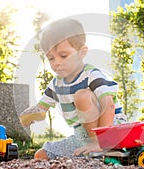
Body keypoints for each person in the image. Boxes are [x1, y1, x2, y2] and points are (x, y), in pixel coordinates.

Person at [19, 18, 126, 160]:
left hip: (110, 130)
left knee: (82, 96)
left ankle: (100, 149)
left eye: (63, 56)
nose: (57, 63)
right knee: (41, 155)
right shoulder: (56, 84)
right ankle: (91, 153)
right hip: (82, 136)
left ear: (81, 53)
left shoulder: (92, 75)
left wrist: (100, 142)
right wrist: (28, 117)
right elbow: (41, 108)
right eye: (51, 58)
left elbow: (109, 105)